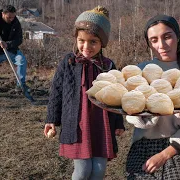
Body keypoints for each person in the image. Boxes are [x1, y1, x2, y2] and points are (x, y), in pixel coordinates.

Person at [44, 6, 125, 180]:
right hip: (77, 124)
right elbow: (56, 92)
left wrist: (119, 122)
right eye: (81, 40)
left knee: (98, 170)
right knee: (82, 172)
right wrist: (51, 119)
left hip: (102, 124)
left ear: (102, 43)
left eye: (93, 41)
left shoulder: (108, 66)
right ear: (76, 39)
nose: (86, 46)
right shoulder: (69, 62)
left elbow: (117, 97)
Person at [125, 14, 180, 179]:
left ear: (177, 37)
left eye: (167, 37)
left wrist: (165, 154)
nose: (161, 45)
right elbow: (131, 112)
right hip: (143, 146)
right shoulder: (140, 71)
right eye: (154, 40)